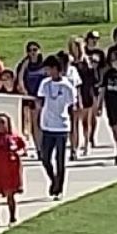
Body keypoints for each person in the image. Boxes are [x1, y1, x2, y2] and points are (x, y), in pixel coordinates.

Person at [36, 55, 78, 200]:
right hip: (47, 125)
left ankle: (59, 188)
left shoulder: (67, 86)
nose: (47, 71)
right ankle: (53, 179)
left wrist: (73, 130)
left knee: (60, 159)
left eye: (49, 68)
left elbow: (72, 106)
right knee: (45, 157)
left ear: (56, 69)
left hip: (61, 126)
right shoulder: (45, 84)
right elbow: (40, 100)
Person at [15, 41, 48, 150]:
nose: (32, 52)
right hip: (31, 98)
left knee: (44, 123)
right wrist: (26, 94)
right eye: (30, 50)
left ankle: (45, 145)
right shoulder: (25, 65)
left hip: (43, 98)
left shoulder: (44, 64)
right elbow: (20, 80)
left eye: (35, 50)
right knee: (35, 124)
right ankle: (39, 147)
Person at [70, 38, 99, 157]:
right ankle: (74, 147)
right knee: (74, 123)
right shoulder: (70, 63)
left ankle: (87, 143)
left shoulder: (87, 62)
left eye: (78, 46)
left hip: (86, 92)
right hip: (74, 94)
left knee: (86, 122)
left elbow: (93, 80)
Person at [84, 30, 107, 148]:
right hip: (85, 84)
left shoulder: (100, 53)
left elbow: (103, 69)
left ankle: (92, 136)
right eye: (92, 38)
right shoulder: (83, 51)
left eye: (96, 39)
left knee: (94, 112)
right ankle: (85, 136)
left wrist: (102, 83)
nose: (94, 41)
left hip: (96, 84)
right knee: (85, 114)